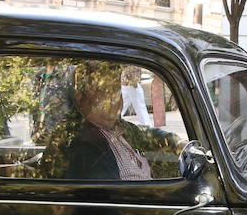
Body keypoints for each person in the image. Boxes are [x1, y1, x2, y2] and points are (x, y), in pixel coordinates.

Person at [41, 63, 179, 180]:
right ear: (80, 96)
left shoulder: (115, 127)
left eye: (116, 90)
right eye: (104, 91)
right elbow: (109, 201)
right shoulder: (80, 143)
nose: (114, 99)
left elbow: (145, 134)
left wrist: (176, 142)